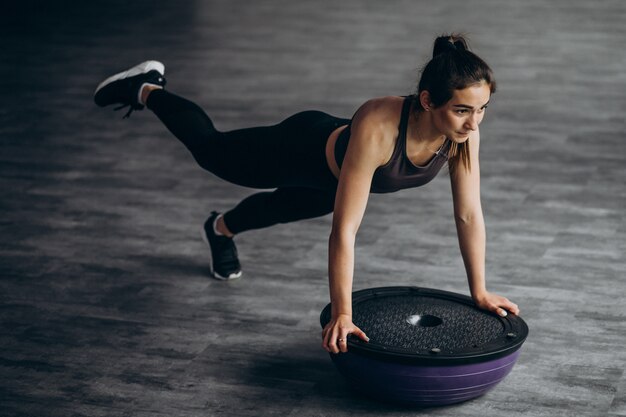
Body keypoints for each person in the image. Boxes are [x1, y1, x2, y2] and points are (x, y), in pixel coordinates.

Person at [94, 34, 520, 355]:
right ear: (428, 101)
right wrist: (343, 313)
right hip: (300, 149)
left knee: (281, 208)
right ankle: (148, 87)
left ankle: (220, 229)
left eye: (482, 109)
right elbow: (346, 230)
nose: (474, 123)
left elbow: (467, 214)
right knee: (212, 152)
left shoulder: (463, 136)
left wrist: (478, 291)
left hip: (332, 180)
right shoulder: (379, 124)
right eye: (462, 110)